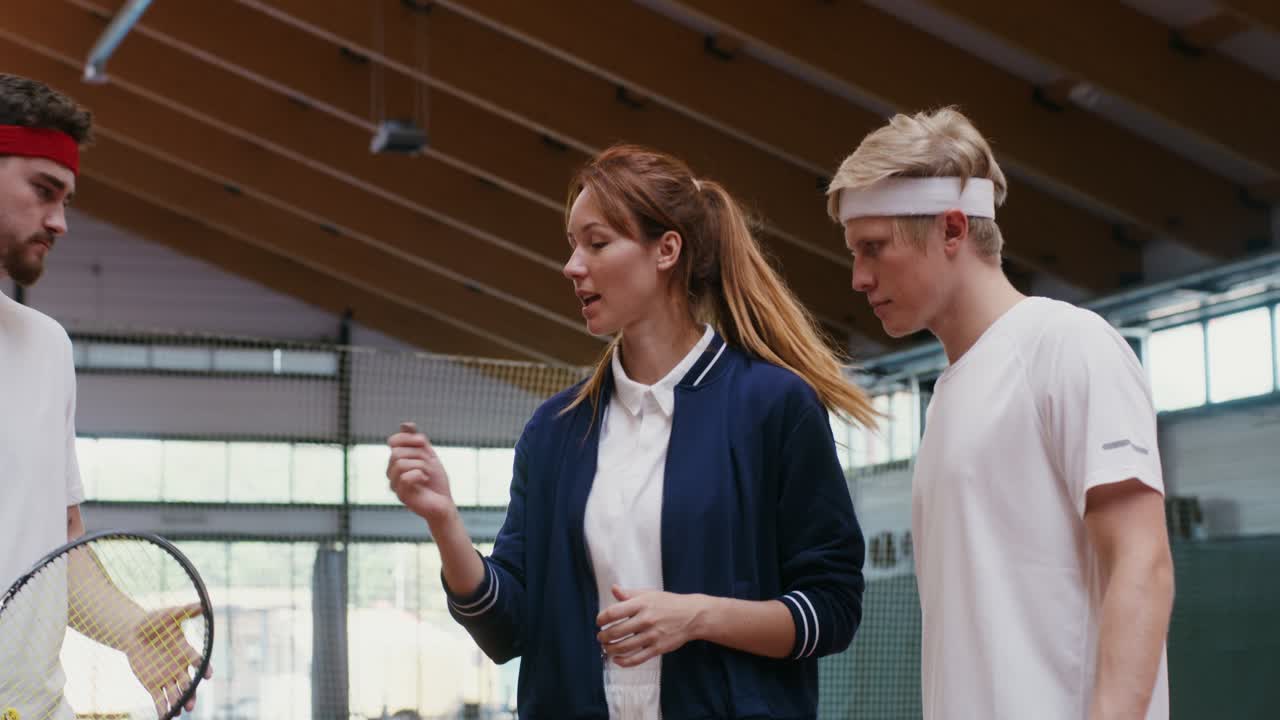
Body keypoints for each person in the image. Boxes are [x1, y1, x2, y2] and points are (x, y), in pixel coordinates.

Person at [388, 144, 876, 719]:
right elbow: (507, 629)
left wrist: (696, 617)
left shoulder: (773, 406)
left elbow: (833, 609)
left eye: (596, 243)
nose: (573, 266)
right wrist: (444, 521)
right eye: (573, 245)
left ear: (666, 249)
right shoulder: (555, 431)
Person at [827, 107, 1174, 719]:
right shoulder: (950, 395)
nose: (858, 278)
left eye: (873, 249)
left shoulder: (1067, 344)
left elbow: (1141, 561)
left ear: (952, 229)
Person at [0, 73, 208, 718]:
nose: (60, 222)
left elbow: (56, 547)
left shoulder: (46, 348)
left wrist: (130, 629)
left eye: (66, 199)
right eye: (43, 191)